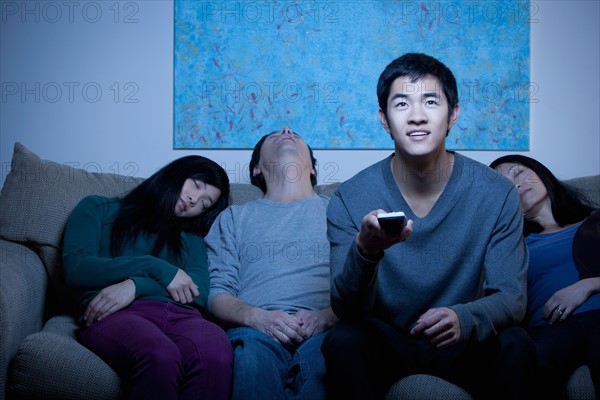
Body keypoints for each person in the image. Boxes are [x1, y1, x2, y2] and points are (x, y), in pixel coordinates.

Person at [321, 53, 534, 400]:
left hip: (462, 340)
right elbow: (347, 309)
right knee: (344, 340)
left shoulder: (497, 193)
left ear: (453, 115)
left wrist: (464, 319)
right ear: (384, 120)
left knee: (517, 342)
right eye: (401, 103)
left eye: (431, 102)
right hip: (387, 340)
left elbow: (512, 298)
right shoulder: (349, 197)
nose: (417, 115)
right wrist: (366, 250)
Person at [62, 155, 233, 400]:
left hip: (183, 317)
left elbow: (200, 292)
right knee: (160, 354)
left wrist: (136, 285)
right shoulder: (96, 208)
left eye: (204, 204)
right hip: (116, 314)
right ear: (176, 172)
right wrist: (157, 269)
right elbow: (78, 269)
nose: (195, 200)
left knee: (215, 354)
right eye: (196, 185)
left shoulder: (191, 237)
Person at [205, 126, 337, 400]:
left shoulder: (339, 210)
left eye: (295, 134)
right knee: (252, 362)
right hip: (255, 332)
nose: (287, 130)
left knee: (326, 365)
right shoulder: (233, 217)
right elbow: (218, 295)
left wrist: (325, 317)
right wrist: (258, 318)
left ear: (312, 169)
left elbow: (363, 285)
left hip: (325, 332)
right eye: (274, 134)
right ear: (256, 171)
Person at [490, 154, 600, 399]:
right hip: (550, 330)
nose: (516, 185)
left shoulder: (595, 220)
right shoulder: (511, 246)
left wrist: (588, 286)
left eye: (518, 173)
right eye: (505, 187)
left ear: (541, 172)